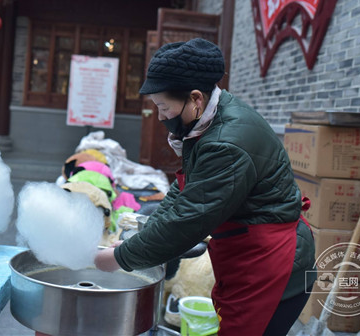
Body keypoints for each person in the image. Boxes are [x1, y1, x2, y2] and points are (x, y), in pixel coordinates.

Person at [94, 38, 316, 336]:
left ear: (196, 98)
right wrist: (140, 240)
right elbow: (183, 192)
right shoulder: (210, 121)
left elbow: (187, 220)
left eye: (163, 107)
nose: (160, 117)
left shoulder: (226, 144)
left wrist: (119, 259)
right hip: (250, 255)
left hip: (274, 263)